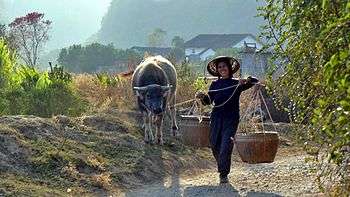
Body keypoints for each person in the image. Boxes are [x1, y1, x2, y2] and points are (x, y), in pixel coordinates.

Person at [195, 56, 259, 184]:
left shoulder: (236, 83)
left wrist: (248, 79)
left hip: (231, 118)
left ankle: (223, 173)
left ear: (229, 68)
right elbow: (208, 102)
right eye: (219, 67)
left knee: (225, 145)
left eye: (224, 66)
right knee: (214, 144)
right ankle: (222, 166)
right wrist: (202, 97)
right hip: (217, 117)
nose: (222, 69)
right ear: (217, 70)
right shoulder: (215, 84)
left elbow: (255, 81)